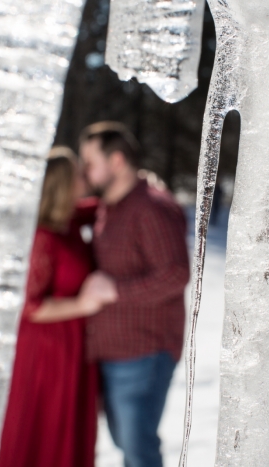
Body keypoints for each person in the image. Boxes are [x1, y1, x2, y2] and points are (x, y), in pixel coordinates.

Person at [0, 147, 116, 467]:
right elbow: (31, 307)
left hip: (73, 347)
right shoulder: (43, 236)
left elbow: (102, 205)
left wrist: (130, 186)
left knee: (70, 433)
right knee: (43, 432)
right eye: (78, 173)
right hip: (46, 351)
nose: (85, 176)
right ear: (63, 184)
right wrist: (83, 304)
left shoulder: (70, 220)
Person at [79, 122, 190, 467]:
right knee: (125, 442)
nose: (85, 171)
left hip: (144, 352)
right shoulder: (110, 205)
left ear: (116, 161)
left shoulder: (151, 207)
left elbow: (175, 274)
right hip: (113, 353)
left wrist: (115, 290)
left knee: (138, 449)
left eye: (90, 162)